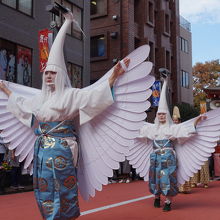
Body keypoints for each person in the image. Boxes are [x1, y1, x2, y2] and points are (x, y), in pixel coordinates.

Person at [0, 10, 130, 220]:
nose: (49, 76)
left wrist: (112, 78)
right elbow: (23, 107)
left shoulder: (72, 95)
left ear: (60, 75)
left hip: (63, 148)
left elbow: (94, 96)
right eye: (47, 73)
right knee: (44, 188)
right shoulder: (39, 99)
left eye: (53, 73)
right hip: (42, 149)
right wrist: (7, 92)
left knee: (62, 186)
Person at [137, 70, 205, 212]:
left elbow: (188, 129)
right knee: (155, 178)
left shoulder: (174, 128)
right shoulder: (151, 128)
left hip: (168, 159)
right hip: (155, 157)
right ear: (157, 116)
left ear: (166, 115)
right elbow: (135, 128)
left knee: (168, 179)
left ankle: (168, 201)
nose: (161, 116)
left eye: (163, 114)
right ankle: (156, 197)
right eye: (159, 114)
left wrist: (198, 120)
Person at [172, 106, 192, 194]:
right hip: (173, 149)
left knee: (183, 166)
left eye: (176, 120)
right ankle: (177, 187)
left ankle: (185, 187)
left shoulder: (182, 127)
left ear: (179, 120)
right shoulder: (171, 127)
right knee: (175, 168)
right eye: (173, 120)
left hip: (182, 148)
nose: (175, 121)